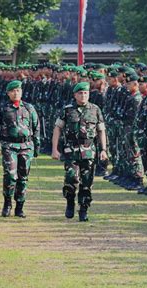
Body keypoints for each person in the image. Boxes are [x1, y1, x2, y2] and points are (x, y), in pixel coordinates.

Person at [51, 82, 108, 221]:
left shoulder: (95, 110)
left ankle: (83, 209)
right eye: (80, 93)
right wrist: (55, 149)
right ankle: (70, 202)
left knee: (87, 182)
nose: (83, 96)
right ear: (75, 95)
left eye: (86, 93)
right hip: (71, 150)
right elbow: (57, 128)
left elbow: (101, 131)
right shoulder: (67, 110)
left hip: (89, 151)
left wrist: (103, 150)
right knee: (71, 178)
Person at [0, 80, 40, 218]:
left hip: (26, 147)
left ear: (21, 92)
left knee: (23, 178)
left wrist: (37, 145)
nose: (16, 93)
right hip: (9, 146)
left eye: (18, 90)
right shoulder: (2, 109)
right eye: (13, 91)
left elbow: (36, 128)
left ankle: (20, 206)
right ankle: (7, 203)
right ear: (8, 93)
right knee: (10, 176)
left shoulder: (29, 108)